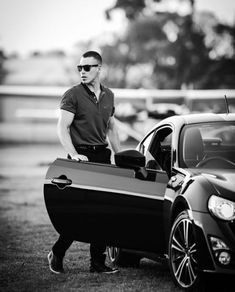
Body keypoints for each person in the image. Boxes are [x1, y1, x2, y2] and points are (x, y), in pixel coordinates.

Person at [48, 51, 120, 274]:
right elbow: (62, 127)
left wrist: (120, 155)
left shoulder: (109, 95)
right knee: (82, 212)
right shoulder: (72, 95)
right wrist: (73, 154)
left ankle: (97, 263)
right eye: (79, 68)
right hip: (80, 157)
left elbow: (112, 127)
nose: (82, 71)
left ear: (99, 68)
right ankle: (58, 252)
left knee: (103, 211)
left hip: (102, 157)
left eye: (87, 68)